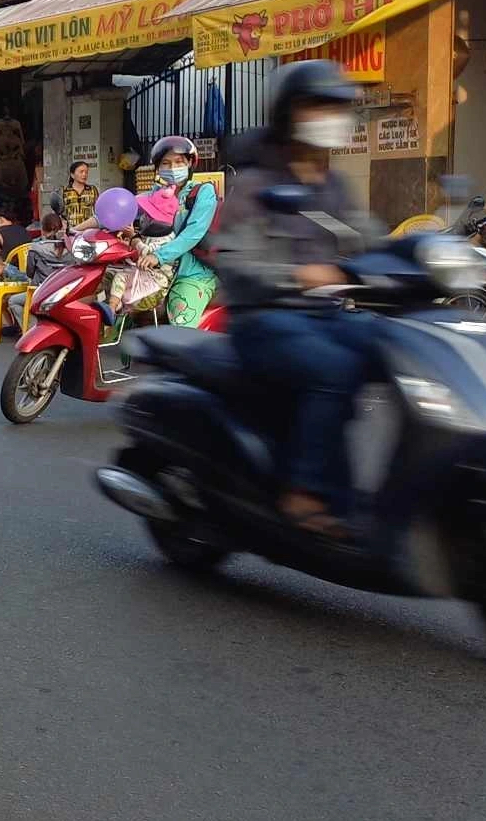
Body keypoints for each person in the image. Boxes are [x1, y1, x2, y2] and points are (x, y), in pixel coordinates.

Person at [211, 59, 376, 536]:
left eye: (337, 106)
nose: (331, 115)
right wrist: (297, 274)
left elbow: (370, 237)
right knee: (334, 371)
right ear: (288, 113)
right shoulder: (257, 184)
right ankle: (302, 491)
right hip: (263, 320)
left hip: (324, 316)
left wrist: (431, 256)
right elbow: (236, 262)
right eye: (318, 105)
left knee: (391, 349)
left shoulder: (335, 186)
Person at [133, 136, 221, 328]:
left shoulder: (202, 192)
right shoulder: (154, 195)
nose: (172, 168)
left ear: (190, 163)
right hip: (154, 274)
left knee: (180, 331)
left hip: (191, 274)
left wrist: (159, 256)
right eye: (166, 163)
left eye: (179, 162)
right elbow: (124, 207)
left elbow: (193, 234)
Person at [57, 160, 95, 230]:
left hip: (88, 230)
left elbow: (97, 211)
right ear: (72, 175)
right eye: (81, 172)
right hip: (70, 231)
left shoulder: (92, 190)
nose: (84, 175)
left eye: (86, 172)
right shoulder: (64, 191)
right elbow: (58, 213)